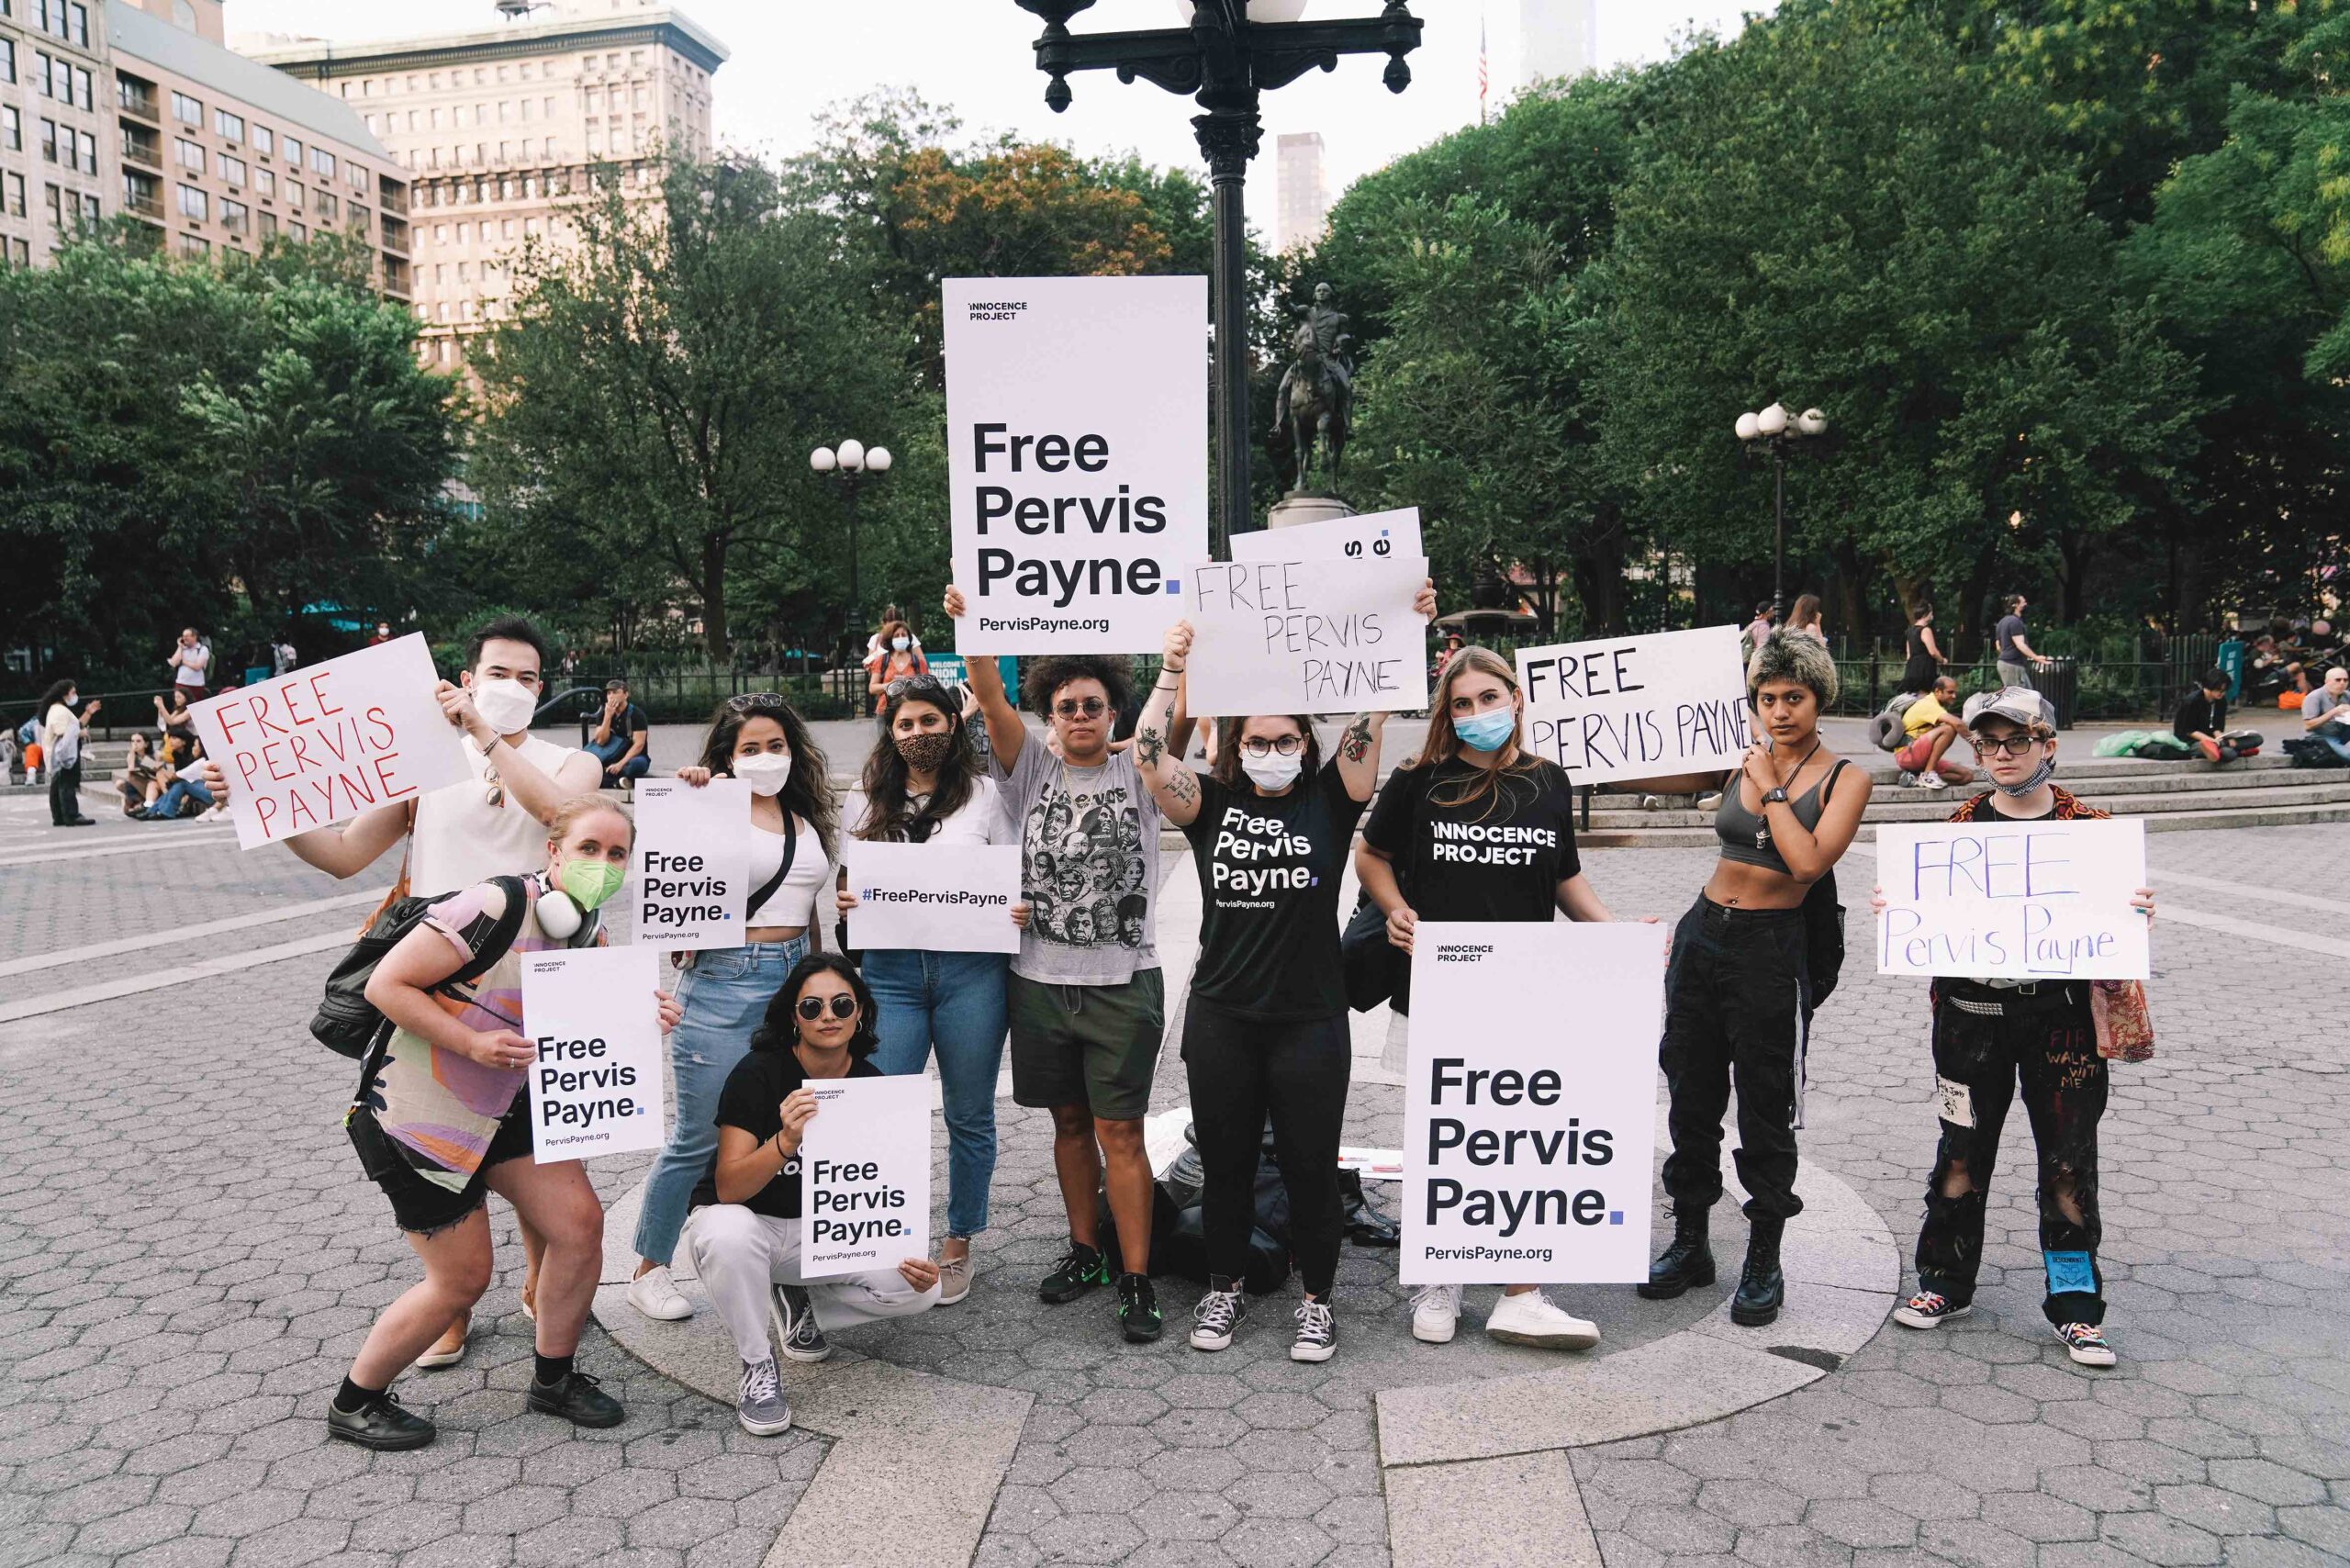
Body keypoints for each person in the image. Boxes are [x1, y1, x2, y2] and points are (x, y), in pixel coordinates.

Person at [204, 616, 599, 1360]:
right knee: (439, 1130)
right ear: (467, 672)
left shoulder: (566, 761)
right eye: (497, 673)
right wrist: (260, 800)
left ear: (542, 689)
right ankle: (452, 1298)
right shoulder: (425, 762)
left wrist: (483, 732)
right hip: (434, 975)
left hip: (533, 975)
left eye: (527, 677)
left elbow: (562, 815)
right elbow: (344, 854)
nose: (511, 687)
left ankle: (543, 1287)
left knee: (537, 1136)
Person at [329, 795, 684, 1450]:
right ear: (552, 850)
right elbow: (388, 986)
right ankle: (356, 1400)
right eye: (588, 848)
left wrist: (643, 1013)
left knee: (578, 1226)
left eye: (616, 854)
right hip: (416, 1116)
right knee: (461, 1280)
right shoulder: (493, 906)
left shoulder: (589, 931)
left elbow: (582, 1024)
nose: (602, 864)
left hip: (506, 1112)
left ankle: (554, 1378)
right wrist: (471, 1044)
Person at [1137, 589, 1433, 1363]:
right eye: (1258, 739)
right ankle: (1224, 1288)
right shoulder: (1211, 805)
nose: (1273, 749)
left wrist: (1404, 626)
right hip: (1222, 1014)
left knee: (1310, 1165)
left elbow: (1373, 715)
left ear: (1308, 742)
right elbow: (1143, 754)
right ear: (1236, 745)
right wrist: (1171, 673)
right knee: (1227, 1165)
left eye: (1287, 738)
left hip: (1310, 1018)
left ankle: (1316, 1303)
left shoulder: (1333, 801)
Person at [1356, 645, 1649, 1352]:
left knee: (1512, 1135)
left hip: (1525, 984)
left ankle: (1520, 1292)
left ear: (1516, 698)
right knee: (1444, 1132)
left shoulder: (1547, 780)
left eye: (1489, 698)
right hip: (1440, 983)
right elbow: (1370, 854)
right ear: (1445, 714)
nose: (1476, 714)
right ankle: (1441, 1280)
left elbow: (1563, 878)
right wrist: (1394, 907)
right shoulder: (1420, 779)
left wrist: (1616, 939)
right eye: (1461, 704)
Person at [1881, 689, 2155, 1368]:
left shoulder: (2093, 831)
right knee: (1959, 1155)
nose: (2000, 754)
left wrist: (2134, 911)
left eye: (2016, 741)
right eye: (1987, 743)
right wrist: (1899, 906)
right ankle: (1945, 1281)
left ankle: (2075, 1306)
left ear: (2048, 746)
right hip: (1970, 1021)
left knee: (2067, 1163)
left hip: (2060, 1023)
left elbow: (2113, 925)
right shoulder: (1953, 834)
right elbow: (1923, 924)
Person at [943, 584, 1174, 1343]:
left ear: (1114, 712)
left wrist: (1177, 659)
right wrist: (971, 623)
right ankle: (1086, 1252)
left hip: (1120, 986)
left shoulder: (1140, 771)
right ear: (1049, 715)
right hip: (1038, 985)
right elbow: (985, 689)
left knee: (1123, 1135)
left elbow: (1176, 713)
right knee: (1069, 1125)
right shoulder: (1030, 770)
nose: (1080, 715)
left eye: (1094, 704)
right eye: (1068, 705)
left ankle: (1135, 1276)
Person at [1642, 633, 1873, 1328]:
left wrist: (1770, 783)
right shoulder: (1734, 759)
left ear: (1818, 697)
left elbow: (1805, 863)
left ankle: (1764, 1258)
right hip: (1703, 933)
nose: (1778, 712)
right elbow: (1663, 779)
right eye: (1767, 698)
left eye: (1793, 698)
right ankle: (1690, 1243)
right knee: (1690, 1094)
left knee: (1765, 1106)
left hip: (1772, 949)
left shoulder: (1844, 777)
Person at [625, 693, 840, 1323]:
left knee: (790, 1124)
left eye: (776, 746)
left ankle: (781, 1263)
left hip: (792, 981)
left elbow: (807, 908)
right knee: (699, 1137)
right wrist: (691, 796)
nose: (766, 757)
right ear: (727, 755)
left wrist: (819, 979)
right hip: (723, 982)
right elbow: (670, 891)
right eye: (750, 748)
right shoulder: (704, 809)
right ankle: (649, 1268)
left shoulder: (804, 814)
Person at [688, 954, 942, 1436]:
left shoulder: (872, 1086)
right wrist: (786, 1142)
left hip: (820, 1232)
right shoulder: (757, 1073)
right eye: (812, 1007)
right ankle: (757, 1364)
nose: (828, 1016)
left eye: (841, 1005)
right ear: (793, 1017)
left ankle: (795, 1297)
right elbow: (729, 1188)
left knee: (921, 1290)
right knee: (727, 1234)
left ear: (860, 1013)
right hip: (750, 1223)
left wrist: (908, 1253)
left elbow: (881, 1193)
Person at [833, 674, 1024, 1306]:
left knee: (970, 1114)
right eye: (906, 725)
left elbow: (1010, 874)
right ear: (890, 733)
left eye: (931, 722)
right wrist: (846, 902)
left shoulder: (987, 796)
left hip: (971, 975)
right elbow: (847, 886)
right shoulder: (864, 799)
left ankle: (958, 1241)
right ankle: (887, 1240)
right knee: (884, 1111)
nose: (919, 734)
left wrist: (1016, 908)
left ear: (953, 724)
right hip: (890, 976)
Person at [1894, 676, 1975, 790]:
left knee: (1966, 776)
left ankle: (1915, 778)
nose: (1954, 696)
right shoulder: (1928, 704)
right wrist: (1977, 747)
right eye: (1950, 692)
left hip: (1920, 756)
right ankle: (1928, 774)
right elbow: (1958, 724)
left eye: (1955, 692)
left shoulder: (1936, 706)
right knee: (1949, 729)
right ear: (1937, 691)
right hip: (1907, 754)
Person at [38, 679, 98, 827]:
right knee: (66, 783)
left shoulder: (57, 709)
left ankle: (59, 816)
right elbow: (65, 732)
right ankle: (71, 815)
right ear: (64, 694)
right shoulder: (59, 711)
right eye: (73, 692)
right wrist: (81, 733)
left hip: (57, 755)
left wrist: (88, 713)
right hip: (63, 754)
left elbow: (75, 724)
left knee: (58, 784)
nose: (75, 695)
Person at [2173, 669, 2263, 763]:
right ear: (2209, 686)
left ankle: (2229, 747)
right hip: (2194, 741)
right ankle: (2237, 750)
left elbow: (2217, 726)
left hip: (2216, 740)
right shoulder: (2192, 701)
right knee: (2228, 754)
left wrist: (2220, 737)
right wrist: (2212, 741)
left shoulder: (2221, 701)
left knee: (2257, 738)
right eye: (2218, 690)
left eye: (2224, 690)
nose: (2221, 693)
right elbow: (2189, 731)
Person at [585, 679, 651, 789]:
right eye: (609, 693)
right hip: (610, 756)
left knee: (636, 765)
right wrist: (608, 717)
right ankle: (618, 782)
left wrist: (620, 764)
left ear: (626, 695)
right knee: (588, 764)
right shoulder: (604, 713)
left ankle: (606, 779)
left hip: (631, 758)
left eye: (615, 692)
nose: (611, 696)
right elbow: (600, 741)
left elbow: (639, 744)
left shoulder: (636, 714)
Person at [864, 621, 929, 714]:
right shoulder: (882, 660)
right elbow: (872, 688)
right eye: (896, 636)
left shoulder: (917, 661)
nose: (901, 638)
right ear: (890, 639)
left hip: (912, 711)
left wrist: (910, 683)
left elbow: (928, 686)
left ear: (909, 638)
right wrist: (891, 685)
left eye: (904, 635)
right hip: (885, 711)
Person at [1993, 596, 2048, 689]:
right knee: (2020, 698)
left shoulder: (2002, 622)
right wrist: (2036, 657)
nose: (2025, 604)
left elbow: (1998, 646)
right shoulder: (2015, 622)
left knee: (2027, 695)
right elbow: (2020, 644)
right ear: (2016, 605)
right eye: (2023, 602)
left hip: (2004, 663)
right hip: (2013, 665)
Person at [2300, 667, 2350, 764]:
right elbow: (2308, 726)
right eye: (2338, 680)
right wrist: (2333, 712)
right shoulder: (2314, 697)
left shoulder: (2347, 695)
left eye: (2345, 680)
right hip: (2319, 737)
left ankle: (2337, 750)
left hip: (2339, 733)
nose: (2342, 683)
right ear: (2327, 681)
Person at [1899, 602, 1946, 693]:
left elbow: (1909, 654)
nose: (1932, 615)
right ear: (1926, 614)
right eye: (1931, 612)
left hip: (1912, 668)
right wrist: (1942, 660)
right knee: (1925, 695)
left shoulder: (1909, 632)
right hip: (1925, 668)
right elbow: (1932, 651)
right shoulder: (1925, 630)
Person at [116, 733, 165, 817]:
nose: (135, 744)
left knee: (151, 783)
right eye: (132, 741)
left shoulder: (156, 754)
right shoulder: (131, 756)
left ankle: (147, 804)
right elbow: (130, 771)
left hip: (156, 783)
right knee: (120, 783)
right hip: (140, 783)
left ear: (146, 744)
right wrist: (132, 753)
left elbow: (160, 771)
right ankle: (140, 801)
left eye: (138, 741)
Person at [153, 688, 199, 767]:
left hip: (193, 739)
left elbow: (172, 722)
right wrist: (160, 708)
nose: (176, 699)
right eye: (175, 697)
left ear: (186, 697)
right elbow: (167, 723)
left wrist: (161, 706)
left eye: (179, 697)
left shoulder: (190, 710)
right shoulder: (178, 709)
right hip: (182, 739)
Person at [167, 627, 212, 702]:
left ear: (194, 637)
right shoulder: (182, 649)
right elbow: (174, 663)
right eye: (183, 636)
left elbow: (198, 666)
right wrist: (180, 647)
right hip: (181, 683)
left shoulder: (202, 649)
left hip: (196, 685)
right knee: (180, 707)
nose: (184, 638)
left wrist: (183, 662)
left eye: (187, 636)